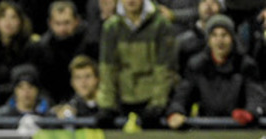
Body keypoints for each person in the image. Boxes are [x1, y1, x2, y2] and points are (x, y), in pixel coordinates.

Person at [166, 13, 264, 129]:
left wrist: (250, 113)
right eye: (214, 35)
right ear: (208, 40)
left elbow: (256, 95)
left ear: (232, 38)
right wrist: (176, 111)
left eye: (224, 35)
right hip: (206, 129)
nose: (219, 40)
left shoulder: (245, 65)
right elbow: (182, 95)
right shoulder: (197, 65)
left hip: (238, 128)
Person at [96, 0, 177, 128]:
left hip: (151, 100)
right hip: (122, 99)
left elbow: (164, 69)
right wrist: (107, 105)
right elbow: (107, 69)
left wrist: (157, 103)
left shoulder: (161, 25)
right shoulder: (111, 27)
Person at [28, 0, 97, 105]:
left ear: (77, 21)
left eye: (67, 23)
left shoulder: (91, 42)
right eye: (58, 23)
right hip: (55, 101)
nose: (62, 28)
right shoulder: (43, 48)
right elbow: (42, 83)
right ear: (50, 23)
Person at [175, 0, 223, 74]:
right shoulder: (183, 41)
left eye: (214, 2)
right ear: (198, 6)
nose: (208, 6)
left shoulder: (229, 40)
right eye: (204, 1)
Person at [50, 53, 100, 117]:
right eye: (78, 78)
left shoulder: (109, 105)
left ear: (97, 79)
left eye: (87, 76)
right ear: (72, 82)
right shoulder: (71, 108)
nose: (83, 81)